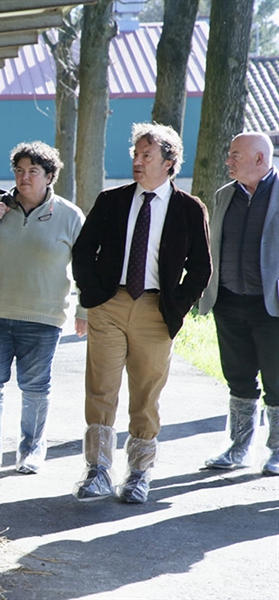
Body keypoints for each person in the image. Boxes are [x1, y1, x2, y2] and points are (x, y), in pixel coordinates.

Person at [71, 122, 212, 503]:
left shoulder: (188, 209)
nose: (137, 160)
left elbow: (201, 267)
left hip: (155, 310)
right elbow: (83, 251)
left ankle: (139, 472)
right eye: (135, 154)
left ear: (169, 162)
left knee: (146, 393)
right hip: (110, 305)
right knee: (101, 387)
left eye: (146, 155)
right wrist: (93, 295)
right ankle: (97, 470)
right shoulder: (111, 200)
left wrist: (176, 307)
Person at [0, 141, 86, 475]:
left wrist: (84, 310)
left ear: (50, 176)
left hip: (42, 319)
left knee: (35, 388)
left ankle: (31, 450)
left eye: (33, 172)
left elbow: (86, 268)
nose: (24, 178)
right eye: (19, 171)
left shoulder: (70, 216)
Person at [198, 132, 279, 476]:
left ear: (260, 159)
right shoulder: (224, 195)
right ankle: (238, 447)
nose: (228, 160)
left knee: (277, 381)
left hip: (271, 305)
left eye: (235, 155)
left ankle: (277, 450)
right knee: (238, 377)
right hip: (229, 301)